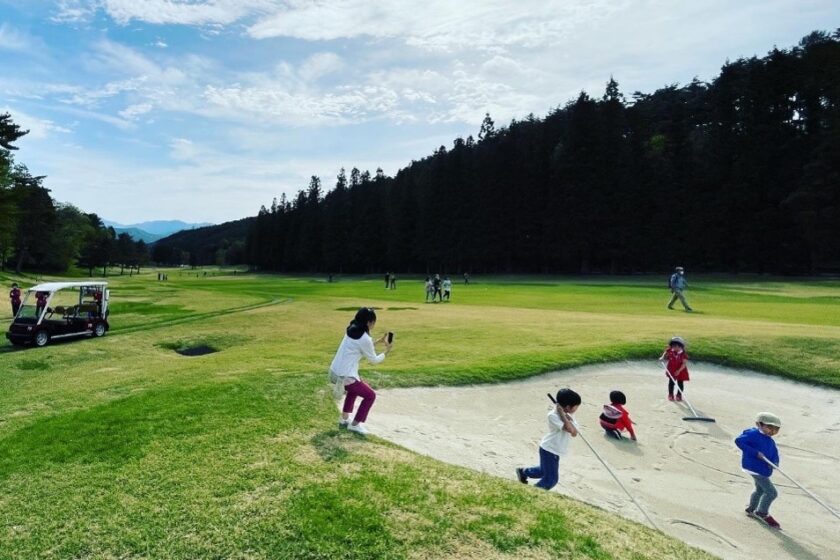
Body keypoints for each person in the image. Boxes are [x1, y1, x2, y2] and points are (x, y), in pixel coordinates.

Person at [328, 307, 392, 435]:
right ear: (369, 322)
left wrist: (377, 342)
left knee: (353, 390)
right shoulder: (364, 338)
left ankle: (344, 418)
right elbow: (373, 360)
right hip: (345, 376)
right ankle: (355, 424)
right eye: (373, 322)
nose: (374, 324)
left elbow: (359, 348)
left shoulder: (351, 329)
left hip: (334, 372)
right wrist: (387, 351)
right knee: (370, 395)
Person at [515, 388, 580, 490]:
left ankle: (523, 472)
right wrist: (563, 415)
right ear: (568, 407)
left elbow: (574, 433)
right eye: (576, 406)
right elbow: (568, 428)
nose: (576, 409)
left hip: (555, 449)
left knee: (542, 471)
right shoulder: (553, 415)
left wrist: (566, 417)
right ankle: (534, 492)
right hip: (549, 449)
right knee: (551, 479)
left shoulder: (570, 416)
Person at [735, 412, 782, 529]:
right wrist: (755, 453)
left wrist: (775, 463)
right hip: (753, 467)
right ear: (759, 424)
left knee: (760, 489)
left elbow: (774, 453)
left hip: (762, 468)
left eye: (776, 429)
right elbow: (739, 441)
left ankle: (751, 508)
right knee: (771, 493)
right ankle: (762, 512)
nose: (773, 431)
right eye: (770, 427)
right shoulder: (752, 434)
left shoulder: (770, 440)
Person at [659, 336, 689, 401]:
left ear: (681, 346)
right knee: (671, 382)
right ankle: (670, 394)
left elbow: (684, 364)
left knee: (680, 383)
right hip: (671, 369)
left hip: (680, 371)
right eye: (674, 346)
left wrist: (678, 371)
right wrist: (662, 357)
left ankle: (679, 395)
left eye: (677, 346)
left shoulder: (683, 354)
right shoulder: (671, 350)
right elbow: (666, 352)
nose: (675, 348)